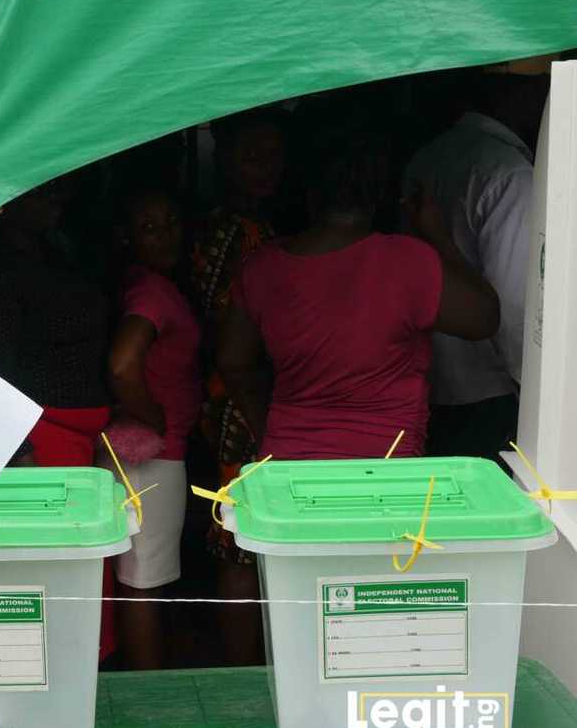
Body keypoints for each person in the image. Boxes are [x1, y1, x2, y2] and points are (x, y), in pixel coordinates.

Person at [219, 105, 501, 466]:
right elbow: (486, 317)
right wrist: (439, 237)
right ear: (381, 190)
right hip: (384, 469)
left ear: (304, 186)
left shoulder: (262, 267)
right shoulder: (407, 261)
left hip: (289, 463)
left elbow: (233, 361)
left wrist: (272, 434)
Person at [0, 180, 118, 659]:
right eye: (40, 191)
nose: (54, 197)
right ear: (7, 201)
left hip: (80, 440)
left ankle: (87, 670)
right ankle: (67, 670)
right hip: (39, 442)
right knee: (62, 567)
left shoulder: (56, 250)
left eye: (58, 189)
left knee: (88, 561)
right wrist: (22, 454)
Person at [404, 65, 550, 461]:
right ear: (519, 94)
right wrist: (536, 396)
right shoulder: (509, 174)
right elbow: (515, 305)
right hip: (490, 391)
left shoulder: (428, 156)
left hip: (429, 378)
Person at [186, 108, 284, 665]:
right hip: (237, 399)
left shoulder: (247, 225)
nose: (264, 169)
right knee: (238, 540)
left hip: (236, 392)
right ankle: (244, 669)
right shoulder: (235, 231)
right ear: (224, 159)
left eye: (273, 157)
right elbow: (225, 327)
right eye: (251, 157)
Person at [106, 189, 201, 670]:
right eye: (148, 228)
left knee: (141, 576)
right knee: (144, 581)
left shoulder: (147, 285)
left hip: (146, 454)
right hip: (152, 456)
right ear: (126, 237)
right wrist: (154, 417)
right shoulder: (152, 293)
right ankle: (148, 695)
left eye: (170, 223)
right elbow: (123, 365)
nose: (164, 236)